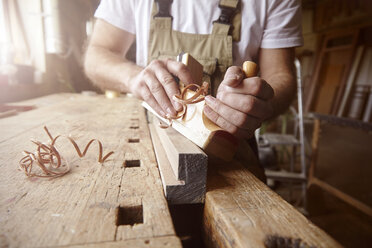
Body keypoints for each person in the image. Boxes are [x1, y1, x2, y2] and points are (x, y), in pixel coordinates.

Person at [84, 0, 303, 180]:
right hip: (152, 144)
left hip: (232, 154)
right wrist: (133, 78)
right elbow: (96, 55)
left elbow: (281, 76)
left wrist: (258, 101)